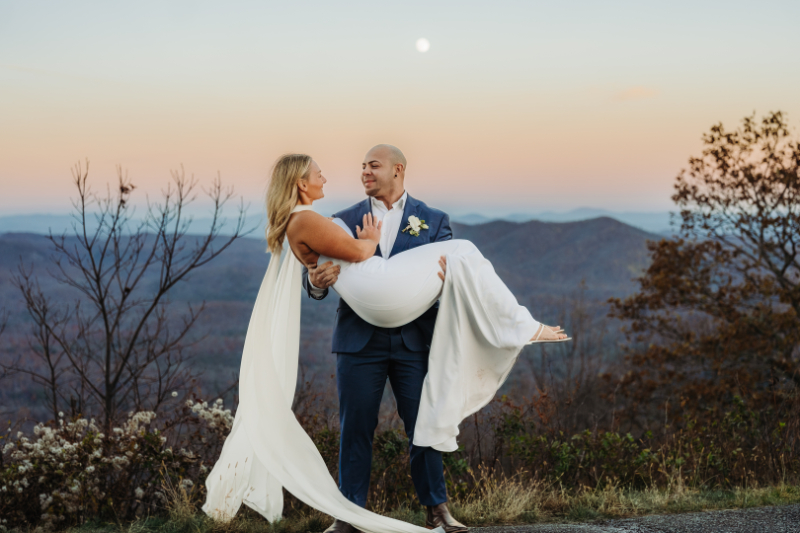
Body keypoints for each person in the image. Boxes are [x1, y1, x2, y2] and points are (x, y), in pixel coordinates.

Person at [202, 151, 568, 532]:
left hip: (413, 341)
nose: (363, 171)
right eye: (361, 166)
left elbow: (444, 285)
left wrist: (449, 281)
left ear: (398, 170)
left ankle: (436, 509)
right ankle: (347, 517)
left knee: (423, 424)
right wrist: (316, 282)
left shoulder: (434, 219)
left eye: (372, 165)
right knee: (355, 428)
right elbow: (314, 276)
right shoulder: (339, 218)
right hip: (360, 342)